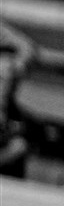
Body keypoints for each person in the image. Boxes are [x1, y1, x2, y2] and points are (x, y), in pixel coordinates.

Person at [0, 46, 31, 179]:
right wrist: (8, 154)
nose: (6, 86)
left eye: (12, 80)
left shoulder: (16, 114)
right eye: (1, 79)